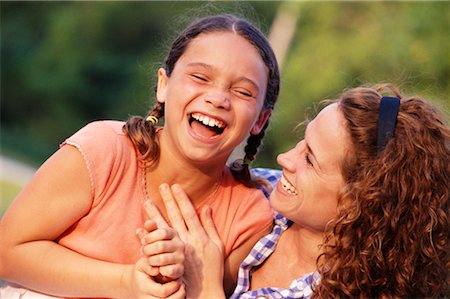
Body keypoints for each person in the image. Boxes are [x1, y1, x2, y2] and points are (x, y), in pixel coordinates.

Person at [0, 13, 280, 298]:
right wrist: (126, 282)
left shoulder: (249, 217)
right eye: (200, 77)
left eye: (243, 92)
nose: (218, 99)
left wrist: (181, 276)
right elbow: (6, 252)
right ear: (164, 85)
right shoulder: (104, 150)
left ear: (260, 119)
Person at [141, 83, 449, 298]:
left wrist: (206, 289)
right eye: (303, 140)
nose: (283, 159)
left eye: (310, 160)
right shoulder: (258, 190)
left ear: (363, 201)